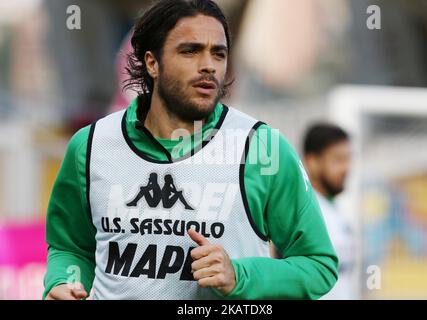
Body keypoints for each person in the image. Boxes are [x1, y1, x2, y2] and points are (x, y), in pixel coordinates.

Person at [43, 0, 337, 300]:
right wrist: (63, 282)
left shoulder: (262, 148)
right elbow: (71, 248)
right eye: (190, 51)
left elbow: (318, 265)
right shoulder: (90, 145)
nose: (209, 65)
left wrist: (240, 276)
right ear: (152, 62)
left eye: (218, 54)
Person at [303, 123, 357, 300]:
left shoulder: (334, 210)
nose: (346, 168)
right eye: (338, 160)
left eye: (348, 159)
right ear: (312, 162)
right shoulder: (303, 213)